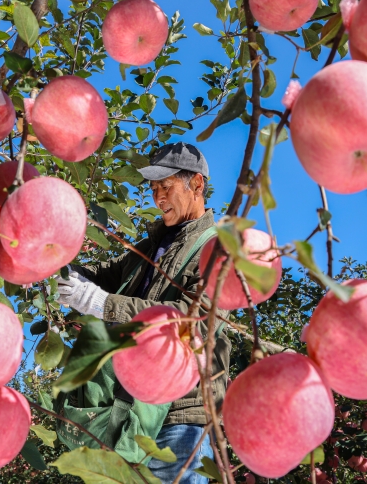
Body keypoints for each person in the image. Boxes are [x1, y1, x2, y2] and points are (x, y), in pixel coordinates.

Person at [57, 142, 231, 483]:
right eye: (153, 189)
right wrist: (49, 256)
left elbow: (198, 318)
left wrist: (102, 304)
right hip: (126, 413)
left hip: (180, 418)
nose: (157, 197)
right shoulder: (148, 248)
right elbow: (100, 276)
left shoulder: (220, 248)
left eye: (165, 186)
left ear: (196, 185)